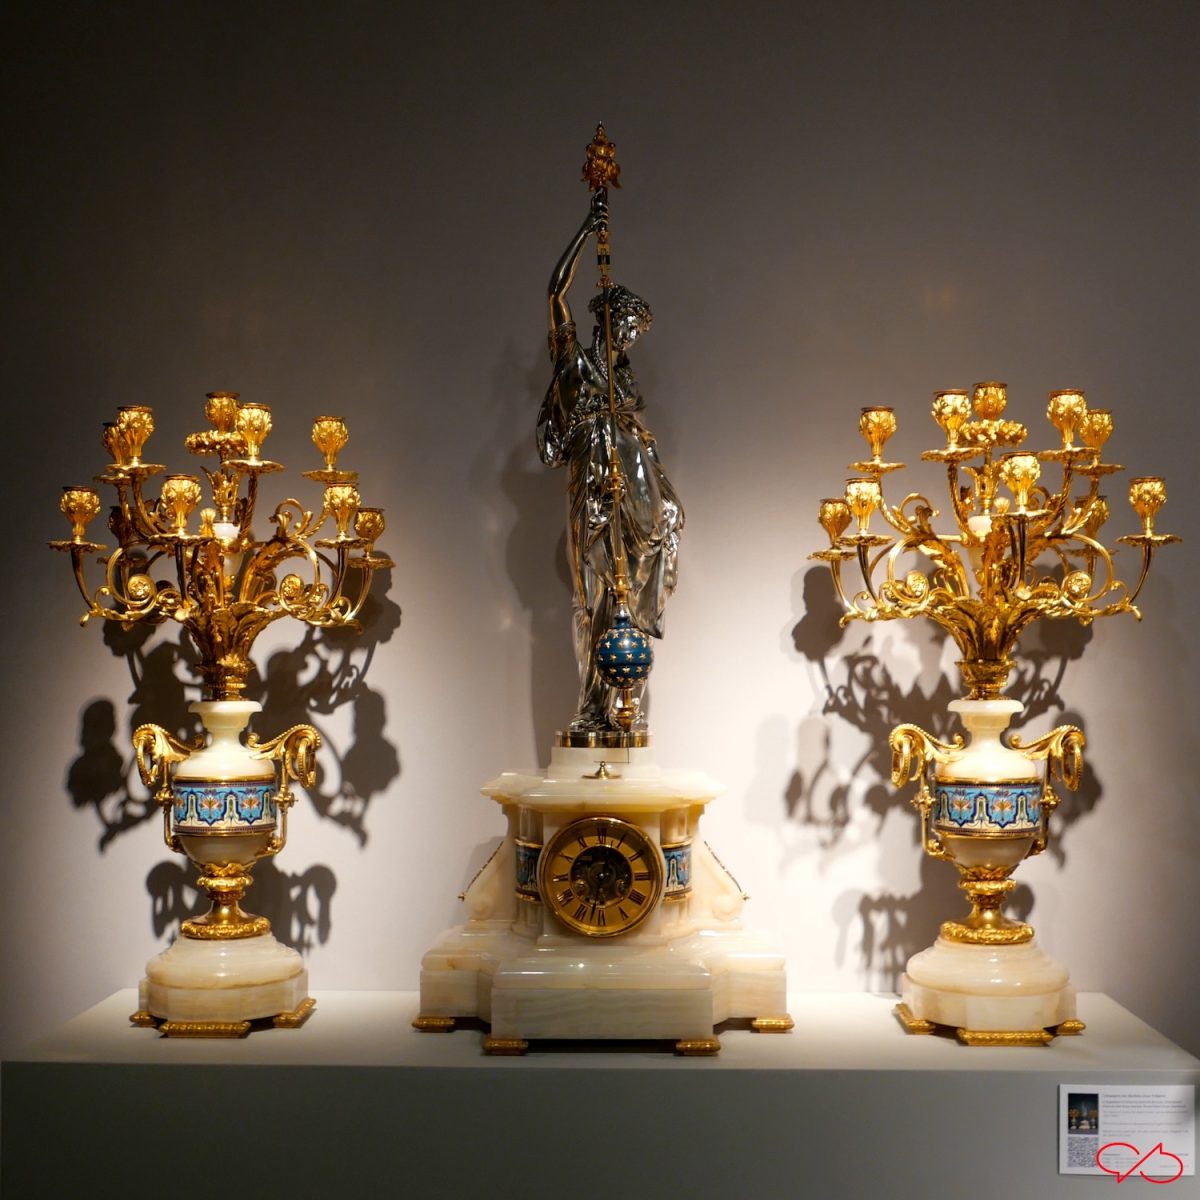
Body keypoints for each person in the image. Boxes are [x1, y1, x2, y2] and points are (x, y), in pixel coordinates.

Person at [537, 193, 684, 735]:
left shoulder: (627, 386)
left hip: (631, 496)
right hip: (591, 493)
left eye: (636, 332)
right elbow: (555, 292)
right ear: (607, 321)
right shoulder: (574, 363)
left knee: (631, 590)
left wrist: (666, 502)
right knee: (591, 597)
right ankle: (590, 706)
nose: (630, 337)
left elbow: (643, 445)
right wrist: (587, 228)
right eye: (626, 325)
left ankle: (624, 703)